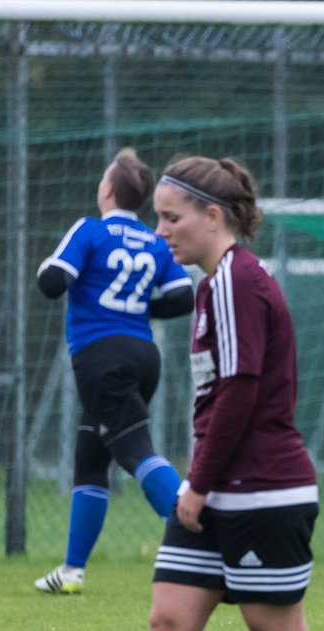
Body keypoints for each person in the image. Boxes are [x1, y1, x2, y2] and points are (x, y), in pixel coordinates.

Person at [47, 156, 324, 631]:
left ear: (212, 216)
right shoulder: (211, 283)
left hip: (260, 488)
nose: (161, 230)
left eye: (172, 218)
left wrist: (196, 483)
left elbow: (240, 393)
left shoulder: (235, 281)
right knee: (170, 624)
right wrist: (202, 484)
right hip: (220, 486)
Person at [34, 147, 193, 595]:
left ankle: (198, 540)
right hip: (143, 354)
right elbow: (183, 297)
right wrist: (138, 308)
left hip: (102, 359)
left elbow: (51, 283)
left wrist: (52, 268)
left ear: (106, 190)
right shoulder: (155, 241)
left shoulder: (90, 230)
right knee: (91, 458)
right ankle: (72, 570)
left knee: (136, 450)